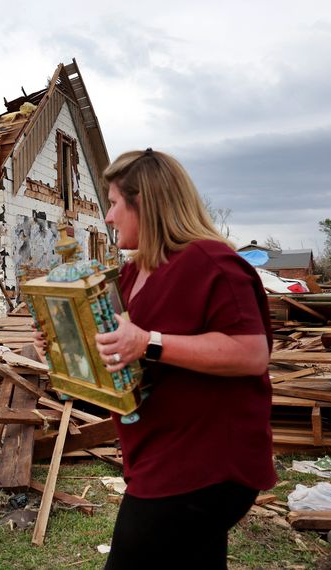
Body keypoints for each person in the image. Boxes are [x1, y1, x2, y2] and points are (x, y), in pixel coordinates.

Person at [34, 149, 276, 569]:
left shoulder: (212, 263)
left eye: (114, 203)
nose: (108, 217)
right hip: (156, 453)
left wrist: (149, 342)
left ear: (144, 202)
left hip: (203, 463)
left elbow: (251, 353)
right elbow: (119, 346)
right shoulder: (132, 272)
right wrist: (59, 342)